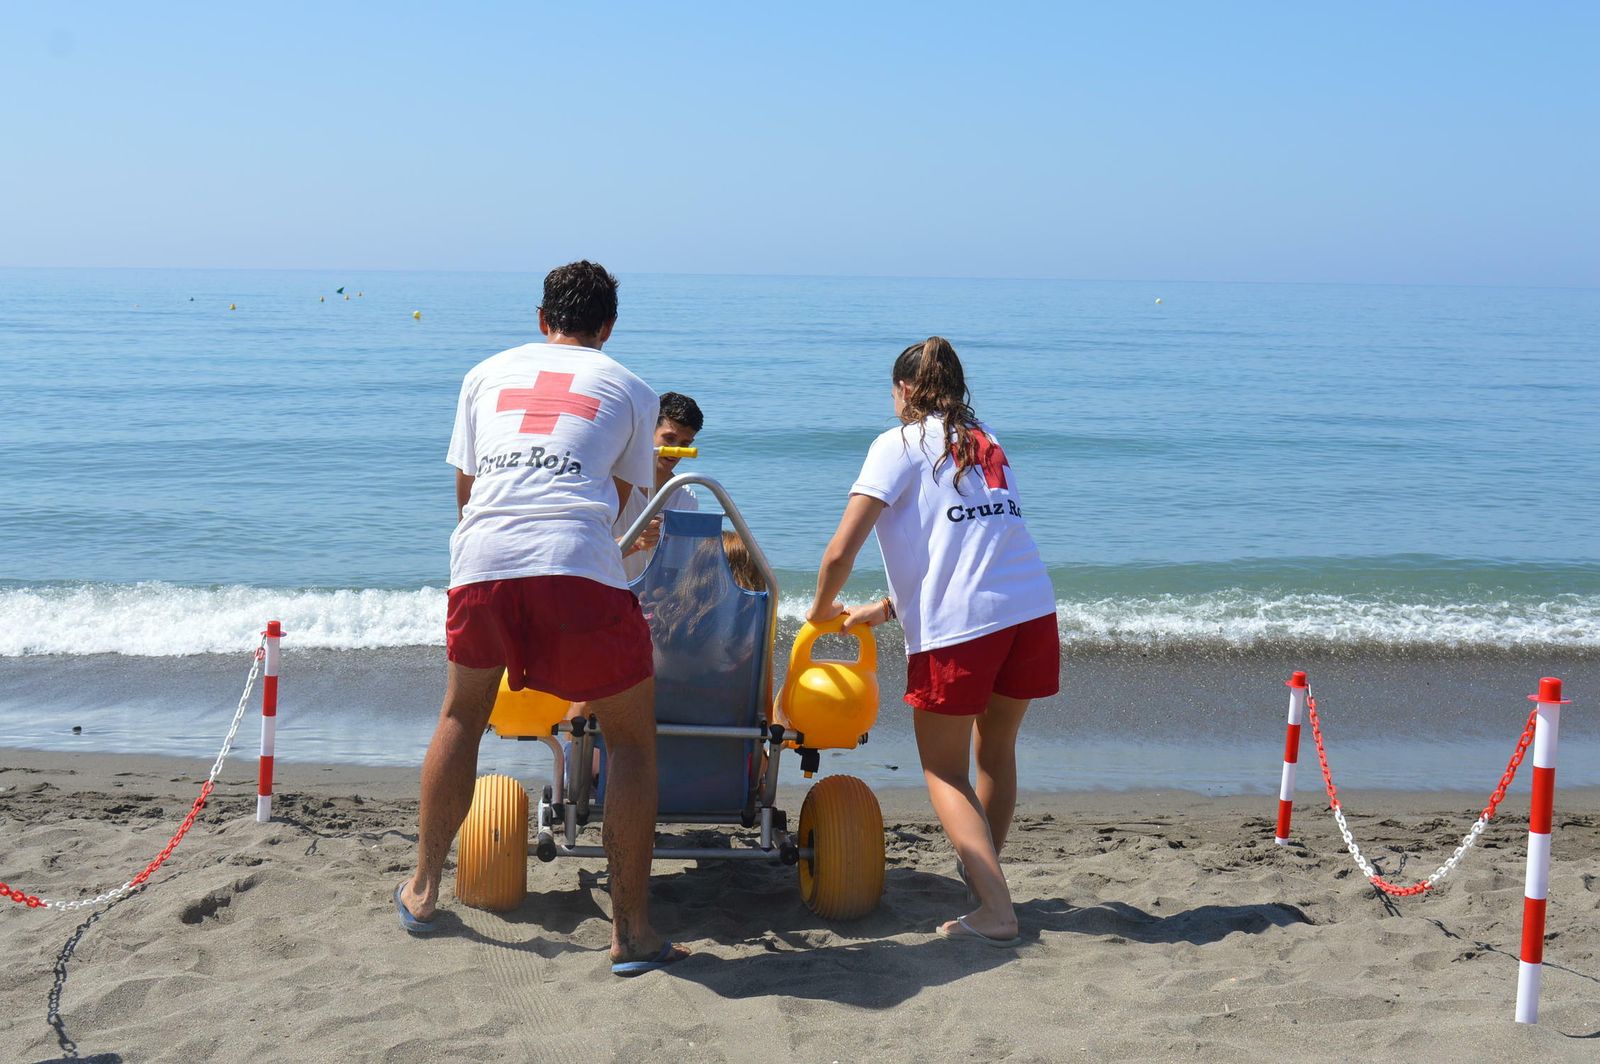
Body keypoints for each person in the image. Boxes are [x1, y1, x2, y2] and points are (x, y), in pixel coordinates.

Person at [397, 260, 687, 976]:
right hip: (576, 559)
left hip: (483, 557)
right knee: (631, 741)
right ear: (608, 327)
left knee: (462, 715)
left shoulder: (483, 375)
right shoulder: (632, 389)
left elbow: (467, 495)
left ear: (540, 318)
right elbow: (623, 510)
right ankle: (631, 932)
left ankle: (423, 888)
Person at [806, 336, 1059, 948]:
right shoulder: (985, 439)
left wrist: (817, 610)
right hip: (1030, 610)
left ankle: (996, 909)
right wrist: (889, 608)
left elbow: (841, 551)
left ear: (904, 390)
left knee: (943, 770)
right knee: (994, 753)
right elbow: (970, 547)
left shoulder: (897, 443)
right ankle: (984, 881)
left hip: (962, 628)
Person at [616, 392, 703, 583]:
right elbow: (588, 554)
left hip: (644, 597)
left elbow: (672, 572)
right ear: (648, 432)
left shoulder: (685, 496)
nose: (675, 450)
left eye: (685, 443)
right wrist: (633, 542)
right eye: (669, 438)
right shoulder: (615, 483)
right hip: (604, 588)